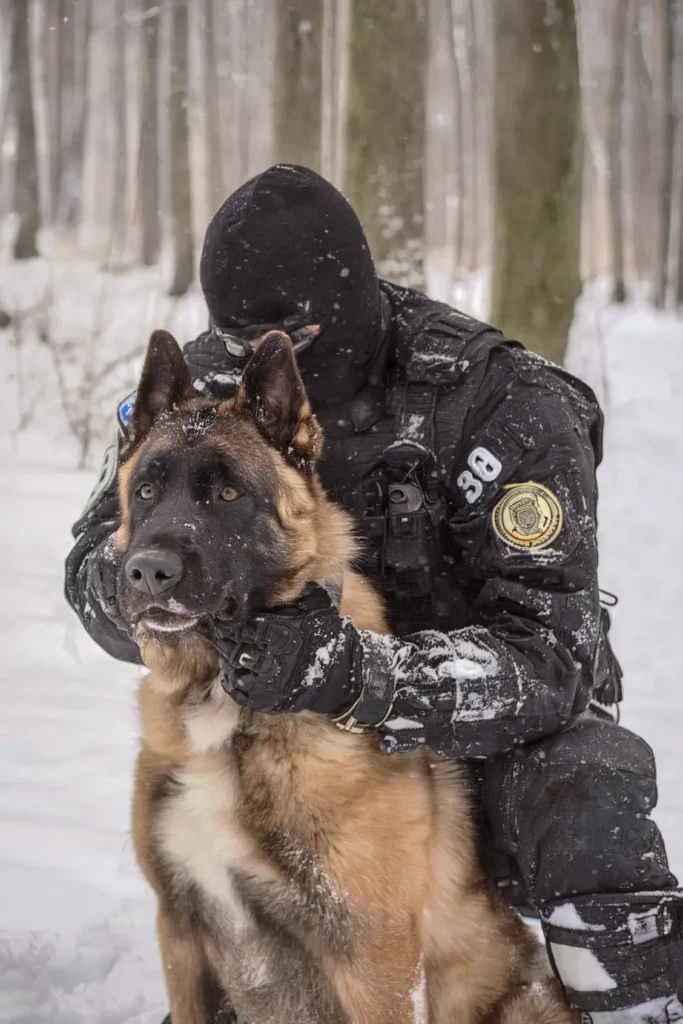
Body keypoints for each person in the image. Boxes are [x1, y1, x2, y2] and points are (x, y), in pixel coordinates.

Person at [65, 164, 682, 1024]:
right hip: (284, 723)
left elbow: (553, 657)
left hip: (479, 734)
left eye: (294, 331)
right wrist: (158, 583)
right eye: (240, 333)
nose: (264, 354)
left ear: (354, 301)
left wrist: (363, 676)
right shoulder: (204, 391)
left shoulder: (499, 401)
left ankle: (633, 1010)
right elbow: (97, 559)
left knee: (588, 783)